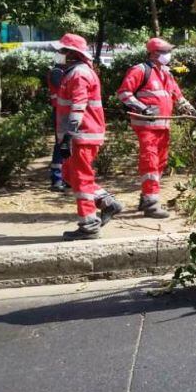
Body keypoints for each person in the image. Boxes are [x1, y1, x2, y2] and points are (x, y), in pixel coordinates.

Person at [116, 37, 196, 218]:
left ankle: (146, 198)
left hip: (164, 125)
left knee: (160, 162)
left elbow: (178, 96)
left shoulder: (166, 73)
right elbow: (123, 93)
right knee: (150, 162)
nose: (168, 55)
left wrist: (193, 112)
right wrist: (143, 108)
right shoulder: (140, 70)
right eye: (165, 52)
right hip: (147, 126)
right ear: (154, 53)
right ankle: (151, 204)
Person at [54, 33, 122, 241]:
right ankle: (106, 201)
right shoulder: (74, 72)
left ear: (72, 53)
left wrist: (69, 134)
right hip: (78, 134)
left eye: (63, 51)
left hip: (80, 135)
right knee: (69, 175)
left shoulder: (79, 74)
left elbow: (78, 105)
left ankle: (89, 225)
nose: (59, 55)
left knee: (81, 179)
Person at [46, 51, 68, 192]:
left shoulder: (60, 71)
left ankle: (65, 177)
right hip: (60, 111)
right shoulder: (57, 72)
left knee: (67, 144)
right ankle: (57, 179)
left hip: (64, 110)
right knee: (61, 144)